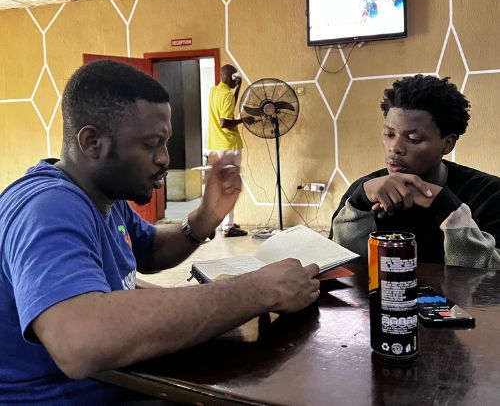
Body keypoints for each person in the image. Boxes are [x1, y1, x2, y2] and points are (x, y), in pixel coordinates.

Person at [0, 60, 320, 404]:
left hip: (124, 383)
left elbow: (149, 250)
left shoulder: (103, 196)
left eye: (165, 142)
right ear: (92, 142)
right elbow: (80, 342)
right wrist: (259, 290)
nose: (165, 158)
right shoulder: (48, 208)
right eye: (151, 144)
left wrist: (205, 217)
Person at [329, 74, 500, 269]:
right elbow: (339, 270)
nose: (395, 148)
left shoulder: (490, 195)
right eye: (389, 134)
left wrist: (447, 207)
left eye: (413, 139)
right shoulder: (365, 193)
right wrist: (359, 203)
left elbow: (491, 278)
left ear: (448, 144)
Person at [207, 63, 254, 237]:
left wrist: (238, 87)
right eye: (235, 78)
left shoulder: (214, 91)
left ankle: (224, 222)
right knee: (230, 186)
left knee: (221, 185)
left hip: (216, 145)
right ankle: (228, 227)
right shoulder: (226, 95)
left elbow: (228, 105)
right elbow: (224, 123)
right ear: (230, 77)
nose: (236, 81)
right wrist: (244, 120)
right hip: (229, 146)